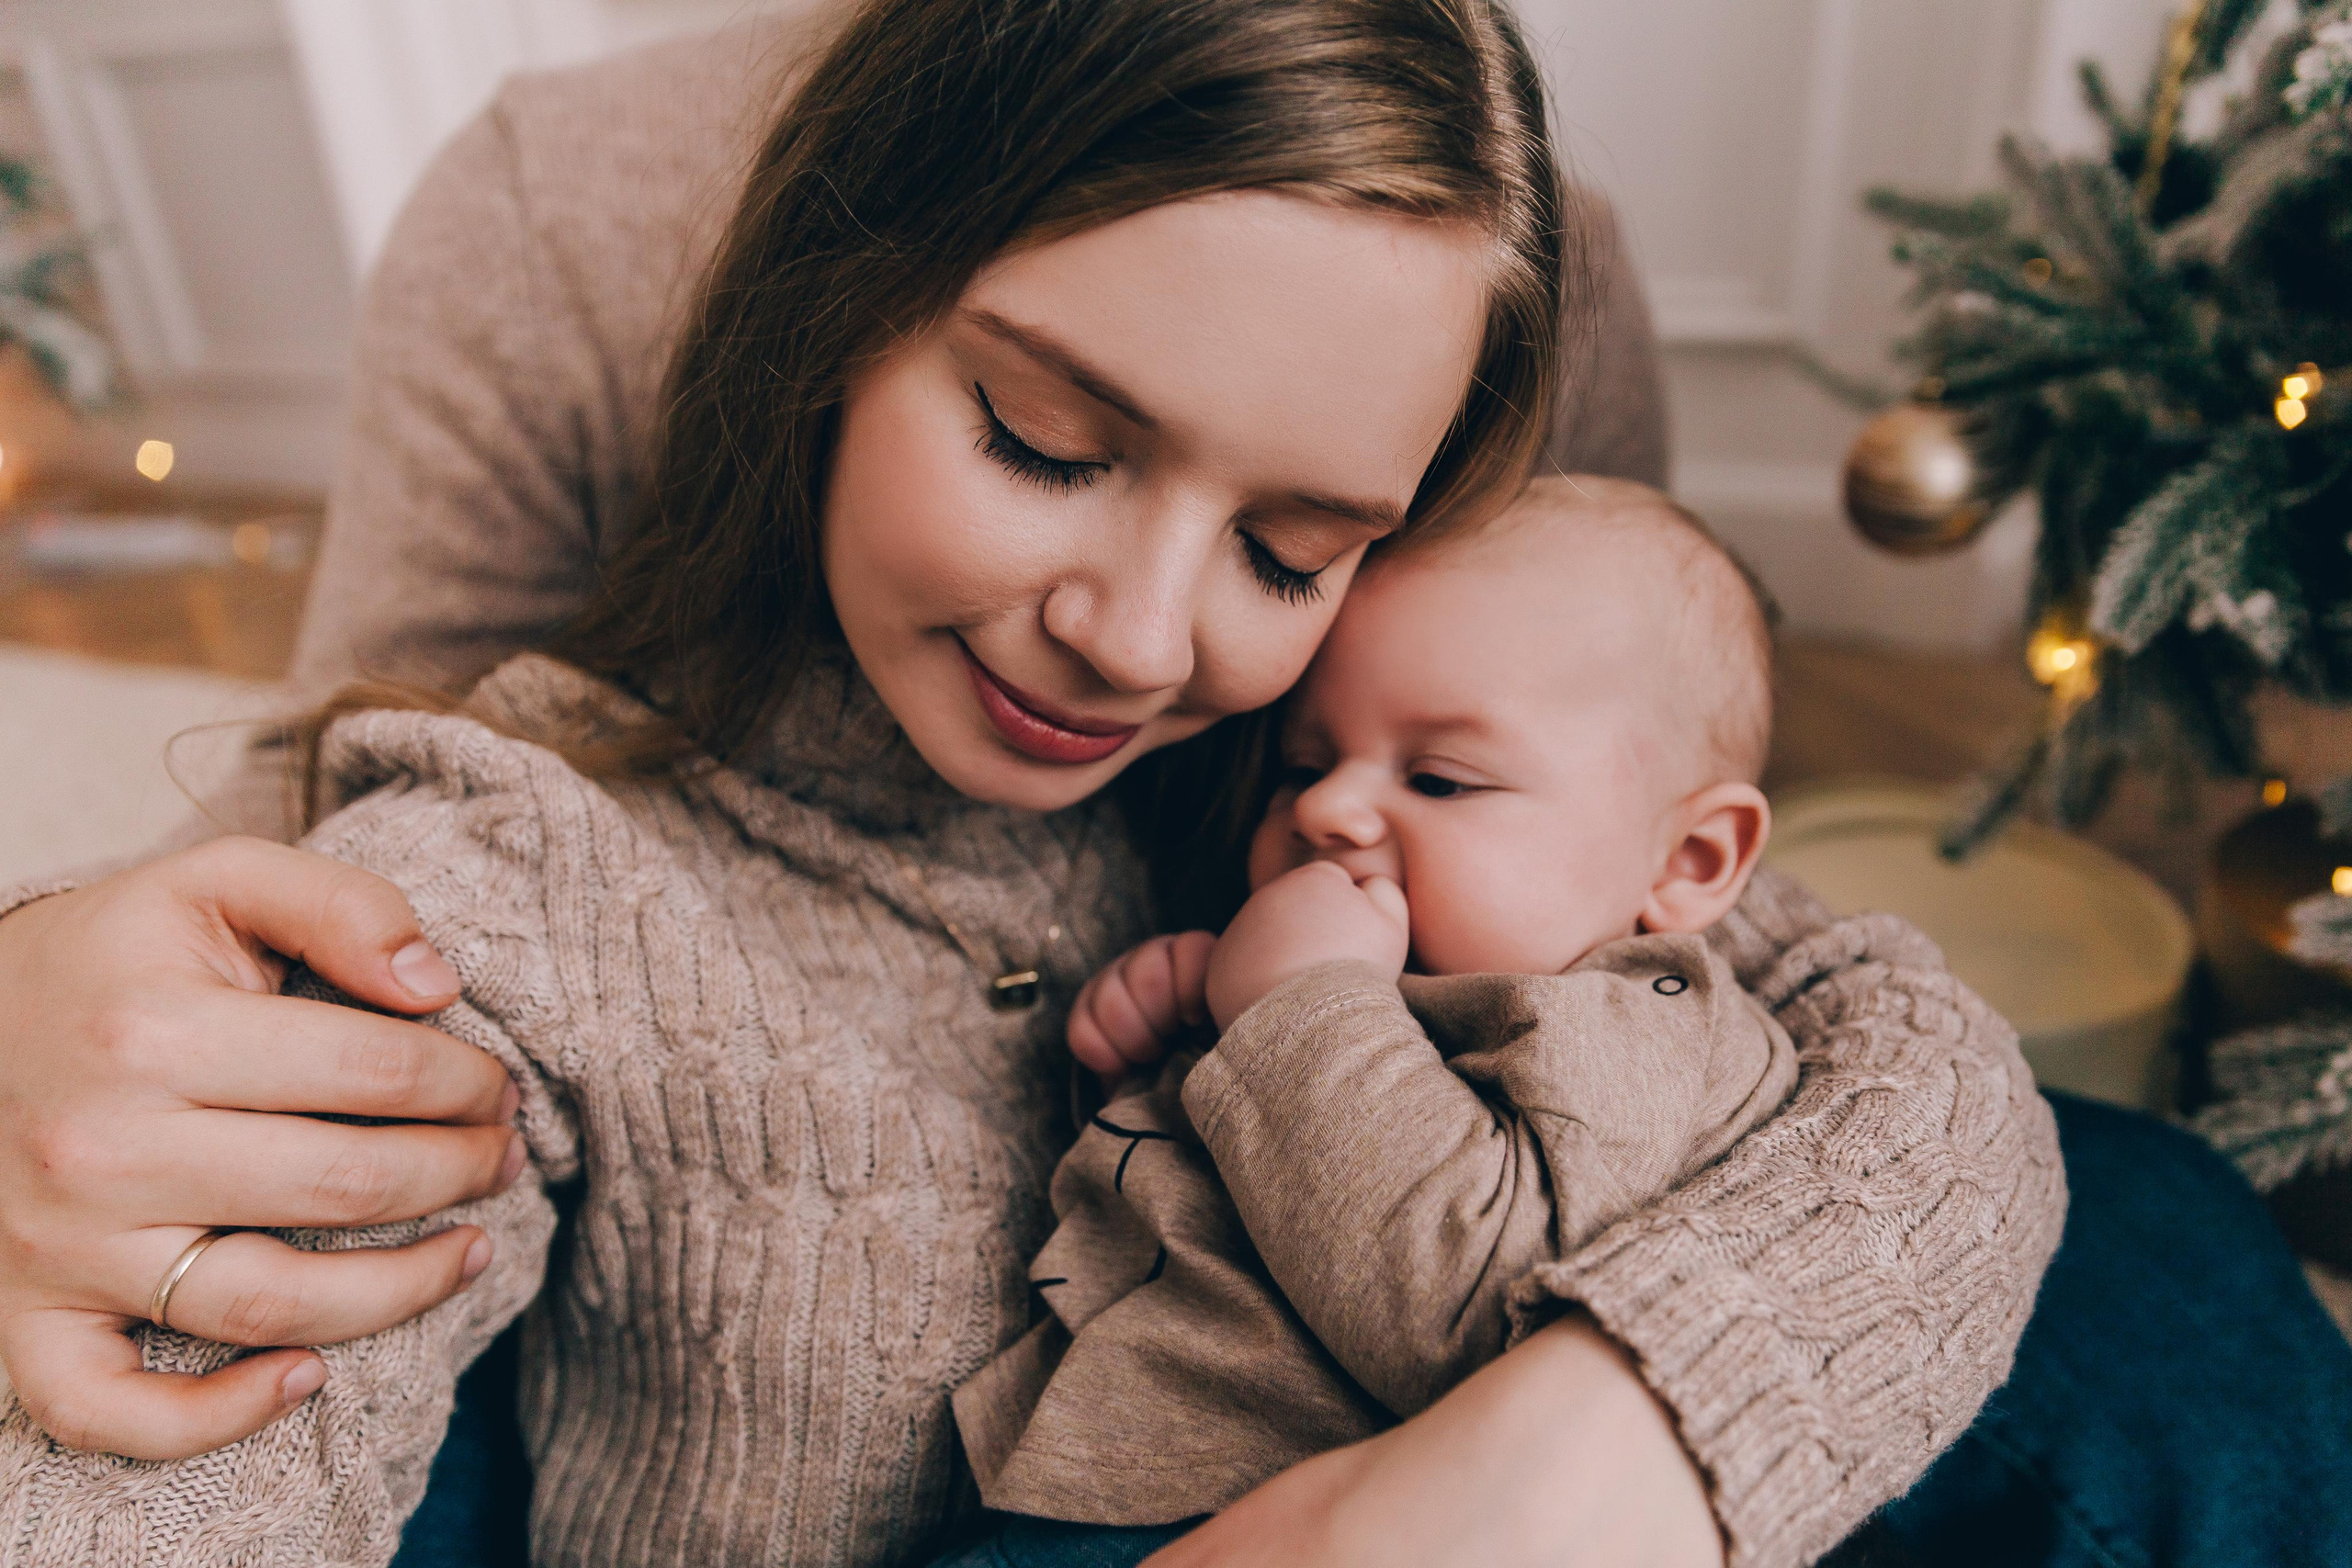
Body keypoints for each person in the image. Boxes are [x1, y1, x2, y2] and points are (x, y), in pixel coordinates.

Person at [0, 0, 2201, 1563]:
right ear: (819, 320)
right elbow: (294, 975)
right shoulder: (547, 811)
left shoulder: (1428, 457)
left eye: (1292, 550)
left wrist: (1592, 1442)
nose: (1146, 644)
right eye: (1043, 443)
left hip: (1428, 1374)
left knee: (2165, 1257)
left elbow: (1720, 924)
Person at [944, 479, 1801, 1565]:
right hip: (1101, 1474)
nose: (1324, 808)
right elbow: (1216, 1191)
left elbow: (1466, 1313)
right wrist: (1179, 1036)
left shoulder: (1636, 1033)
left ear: (1689, 863)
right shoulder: (1371, 972)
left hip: (1266, 1511)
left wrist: (1295, 1011)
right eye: (1305, 764)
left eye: (1439, 780)